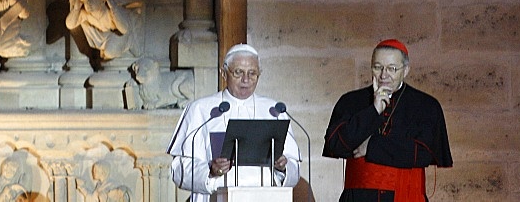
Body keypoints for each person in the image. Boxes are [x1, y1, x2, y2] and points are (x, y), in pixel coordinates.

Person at [323, 39, 453, 201]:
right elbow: (334, 145)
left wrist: (371, 147)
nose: (384, 75)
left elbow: (425, 153)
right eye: (378, 67)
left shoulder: (426, 105)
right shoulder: (350, 101)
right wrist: (374, 110)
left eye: (392, 68)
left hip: (406, 196)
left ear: (405, 70)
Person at [167, 43, 301, 201]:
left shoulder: (274, 110)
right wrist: (210, 171)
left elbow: (295, 170)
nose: (246, 80)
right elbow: (178, 170)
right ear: (224, 73)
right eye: (238, 72)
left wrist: (283, 168)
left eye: (252, 73)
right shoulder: (200, 110)